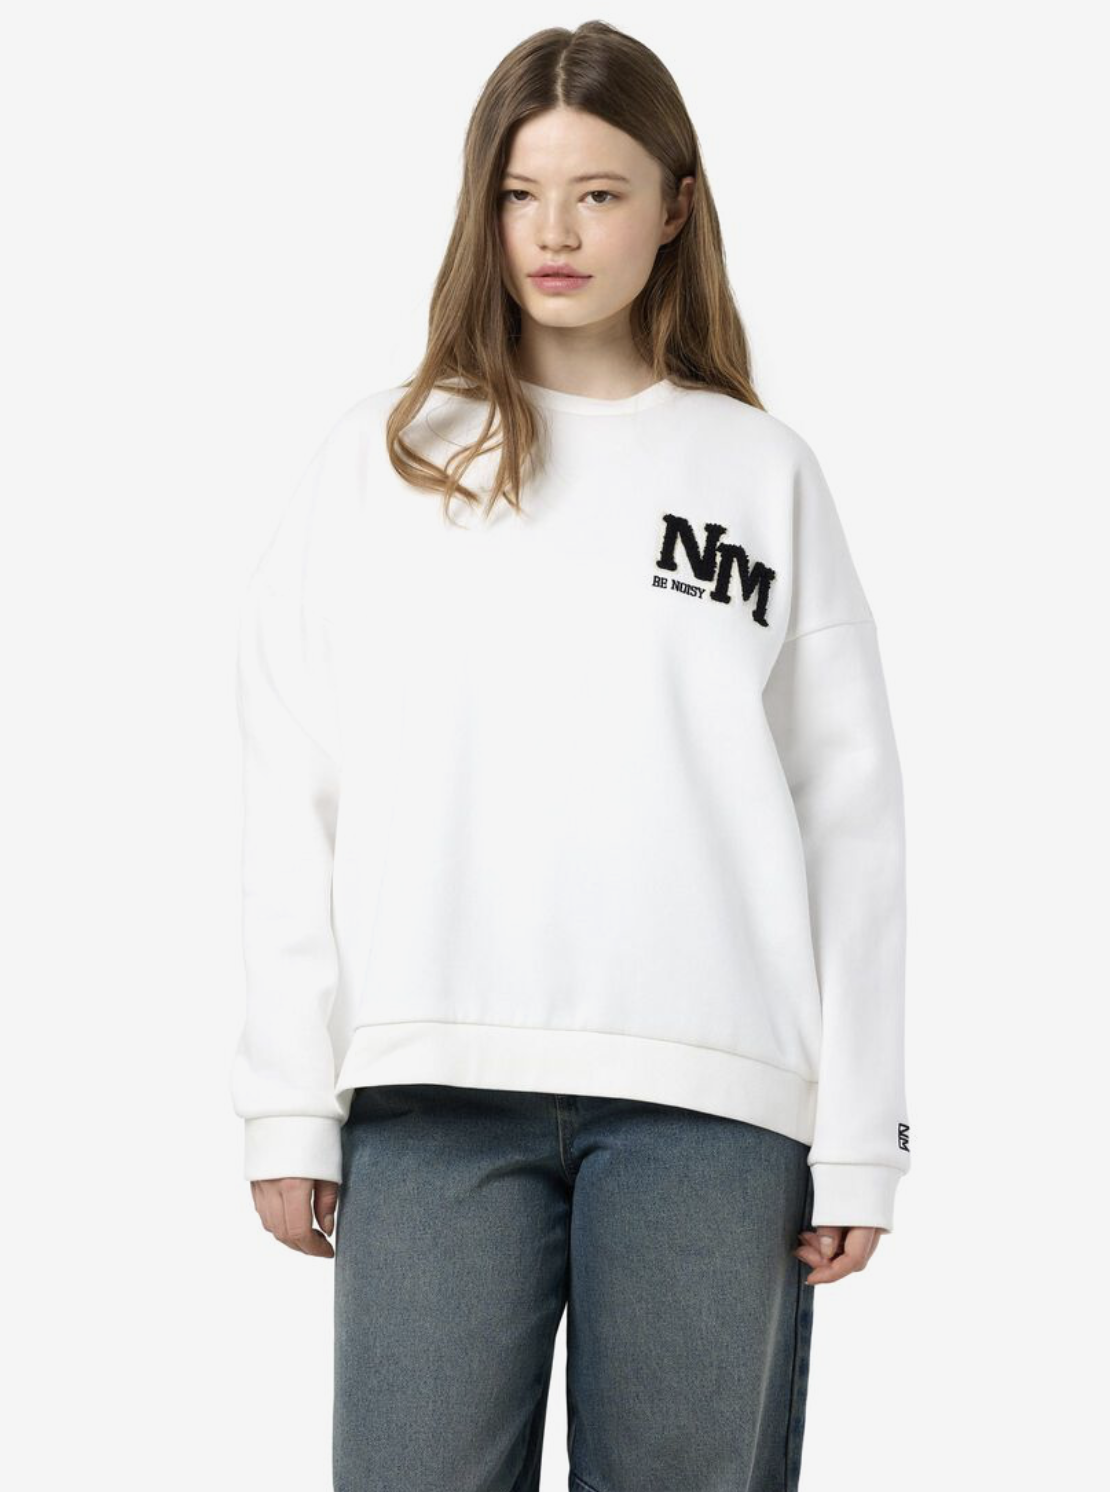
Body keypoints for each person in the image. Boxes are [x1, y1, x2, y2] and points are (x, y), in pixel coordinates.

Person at [230, 20, 911, 1492]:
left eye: (599, 193)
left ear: (674, 208)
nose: (555, 233)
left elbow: (847, 819)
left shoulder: (760, 471)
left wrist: (861, 1131)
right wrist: (288, 1094)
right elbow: (293, 784)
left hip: (715, 1102)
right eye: (520, 194)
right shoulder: (389, 457)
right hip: (428, 1091)